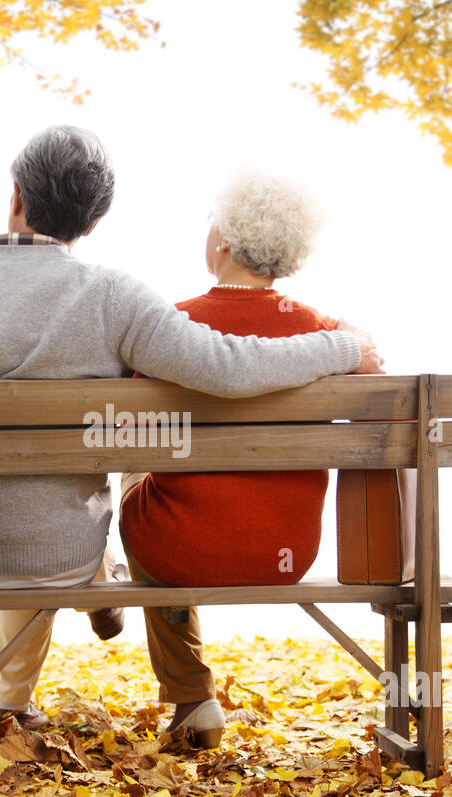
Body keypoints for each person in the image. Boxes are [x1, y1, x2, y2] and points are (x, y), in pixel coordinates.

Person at [0, 127, 383, 730]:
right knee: (83, 491)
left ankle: (22, 695)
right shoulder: (113, 298)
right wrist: (342, 347)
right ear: (93, 223)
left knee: (68, 487)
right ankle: (97, 589)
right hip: (65, 560)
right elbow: (227, 366)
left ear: (16, 197)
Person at [117, 169, 385, 748]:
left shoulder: (173, 326)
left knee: (134, 478)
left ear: (225, 243)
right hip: (284, 553)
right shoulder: (324, 332)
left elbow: (125, 423)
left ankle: (191, 697)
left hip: (180, 551)